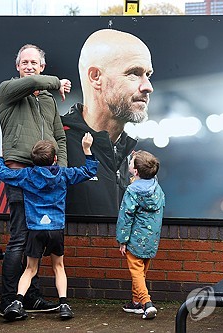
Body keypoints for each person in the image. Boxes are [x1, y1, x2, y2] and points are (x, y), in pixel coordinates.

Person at [0, 43, 72, 317]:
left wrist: (59, 172)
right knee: (19, 239)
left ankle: (31, 297)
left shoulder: (48, 101)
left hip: (47, 180)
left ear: (42, 66)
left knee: (36, 240)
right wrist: (56, 82)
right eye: (25, 62)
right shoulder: (7, 91)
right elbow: (34, 83)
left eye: (34, 63)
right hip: (20, 174)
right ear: (18, 67)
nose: (29, 66)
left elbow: (60, 138)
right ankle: (9, 301)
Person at [0, 133, 98, 321]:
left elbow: (3, 173)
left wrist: (2, 158)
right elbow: (89, 171)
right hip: (56, 229)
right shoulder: (64, 174)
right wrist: (87, 150)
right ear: (55, 159)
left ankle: (17, 302)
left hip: (35, 230)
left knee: (30, 269)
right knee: (58, 267)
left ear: (33, 161)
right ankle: (64, 305)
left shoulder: (27, 175)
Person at [61, 28, 154, 216]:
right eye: (134, 73)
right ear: (96, 77)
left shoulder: (131, 155)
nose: (148, 87)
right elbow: (7, 226)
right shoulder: (53, 141)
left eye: (148, 75)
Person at [116, 150, 165, 320]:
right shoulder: (155, 187)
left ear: (135, 171)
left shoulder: (132, 190)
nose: (129, 163)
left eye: (131, 162)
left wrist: (122, 240)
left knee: (136, 272)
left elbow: (125, 216)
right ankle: (136, 302)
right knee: (142, 271)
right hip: (152, 238)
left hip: (136, 239)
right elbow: (150, 174)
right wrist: (138, 157)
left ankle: (146, 303)